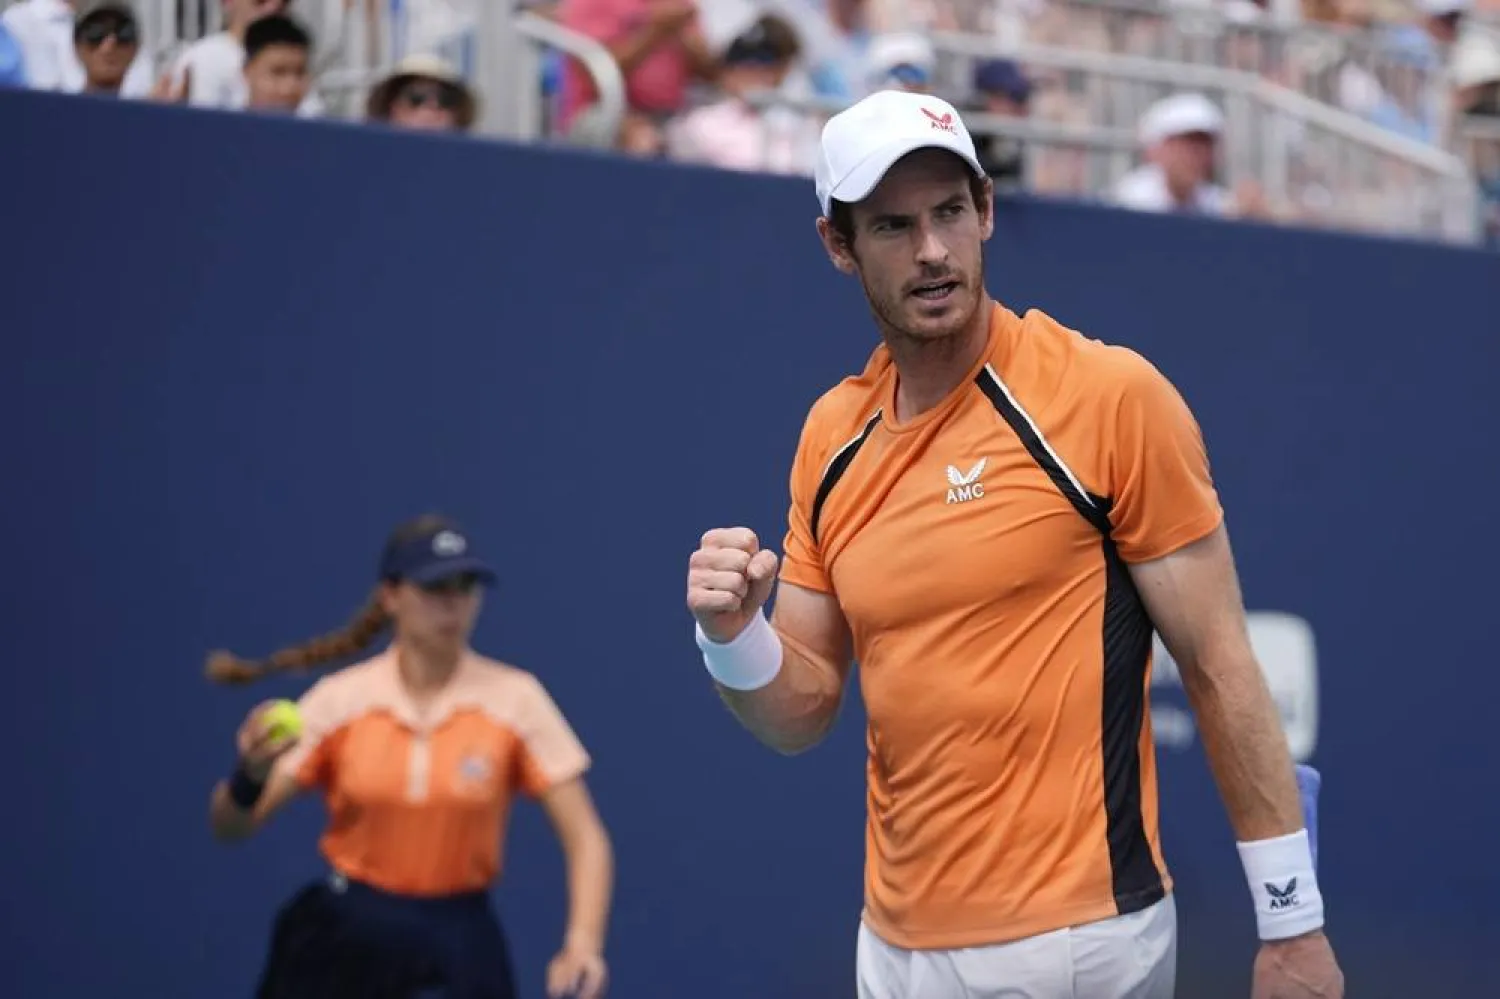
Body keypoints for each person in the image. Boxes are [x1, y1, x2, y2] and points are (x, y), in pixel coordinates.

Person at [683, 90, 1344, 999]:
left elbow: (1221, 663)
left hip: (1076, 941)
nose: (932, 250)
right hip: (895, 942)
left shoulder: (1109, 396)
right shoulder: (831, 435)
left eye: (950, 212)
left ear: (986, 210)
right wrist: (729, 636)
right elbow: (801, 709)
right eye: (893, 226)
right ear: (839, 245)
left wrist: (1292, 923)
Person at [208, 514, 613, 999]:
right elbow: (232, 827)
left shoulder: (517, 700)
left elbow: (586, 839)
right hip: (345, 935)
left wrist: (582, 945)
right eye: (435, 587)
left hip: (459, 940)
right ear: (391, 596)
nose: (453, 604)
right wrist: (251, 774)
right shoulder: (340, 700)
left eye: (466, 587)